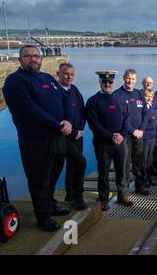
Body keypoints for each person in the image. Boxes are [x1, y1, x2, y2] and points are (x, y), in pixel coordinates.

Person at [3, 45, 72, 231]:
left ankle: (50, 204)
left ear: (41, 59)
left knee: (53, 174)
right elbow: (28, 110)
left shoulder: (48, 78)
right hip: (35, 140)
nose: (33, 59)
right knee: (39, 178)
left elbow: (64, 99)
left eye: (36, 56)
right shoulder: (15, 81)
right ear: (20, 60)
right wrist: (58, 124)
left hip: (57, 137)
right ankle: (43, 216)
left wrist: (67, 120)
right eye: (28, 56)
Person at [86, 70, 133, 211]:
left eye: (110, 81)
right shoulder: (93, 101)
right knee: (104, 172)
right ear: (100, 82)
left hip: (121, 142)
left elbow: (127, 118)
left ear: (114, 82)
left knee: (122, 170)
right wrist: (111, 136)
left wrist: (123, 135)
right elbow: (94, 124)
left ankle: (122, 195)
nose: (107, 84)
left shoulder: (120, 98)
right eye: (104, 81)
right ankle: (103, 199)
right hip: (103, 143)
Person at [54, 63, 88, 211]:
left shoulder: (75, 90)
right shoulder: (54, 92)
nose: (69, 77)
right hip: (60, 137)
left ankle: (74, 196)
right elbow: (56, 116)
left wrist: (79, 130)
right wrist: (73, 132)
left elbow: (83, 111)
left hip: (77, 136)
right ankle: (71, 195)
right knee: (59, 167)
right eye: (65, 73)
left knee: (75, 165)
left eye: (72, 74)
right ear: (58, 74)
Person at [114, 69, 149, 195]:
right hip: (126, 135)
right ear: (124, 78)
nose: (130, 81)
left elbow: (145, 113)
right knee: (124, 164)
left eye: (133, 79)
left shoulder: (139, 94)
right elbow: (120, 117)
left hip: (139, 135)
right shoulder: (118, 94)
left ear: (136, 80)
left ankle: (140, 186)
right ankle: (125, 189)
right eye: (128, 78)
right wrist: (133, 130)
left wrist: (142, 130)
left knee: (138, 162)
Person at [142, 89, 157, 186]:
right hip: (145, 139)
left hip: (152, 138)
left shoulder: (153, 107)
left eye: (151, 96)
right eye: (147, 96)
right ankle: (143, 181)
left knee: (150, 161)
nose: (149, 98)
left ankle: (149, 178)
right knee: (143, 161)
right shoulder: (143, 108)